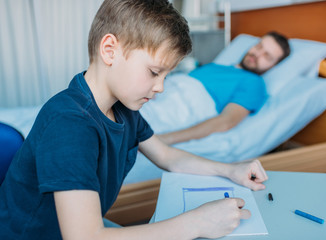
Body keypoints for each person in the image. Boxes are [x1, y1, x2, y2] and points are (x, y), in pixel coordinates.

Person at [0, 1, 268, 239]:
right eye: (154, 72)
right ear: (110, 50)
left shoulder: (124, 110)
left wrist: (230, 169)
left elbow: (167, 157)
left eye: (165, 76)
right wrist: (197, 223)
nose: (161, 87)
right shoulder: (70, 123)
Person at [158, 31, 290, 145]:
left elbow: (226, 121)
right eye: (258, 46)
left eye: (267, 56)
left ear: (273, 66)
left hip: (178, 107)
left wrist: (165, 139)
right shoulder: (216, 66)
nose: (257, 54)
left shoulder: (254, 83)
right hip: (162, 92)